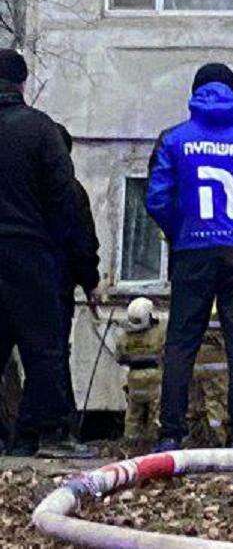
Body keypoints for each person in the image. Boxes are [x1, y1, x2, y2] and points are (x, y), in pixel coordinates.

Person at [146, 63, 233, 451]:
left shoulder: (173, 140)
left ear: (195, 92)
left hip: (192, 251)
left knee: (181, 342)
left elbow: (156, 199)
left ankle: (171, 432)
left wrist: (182, 232)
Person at [0, 49, 100, 456]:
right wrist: (69, 263)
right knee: (44, 349)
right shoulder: (40, 130)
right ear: (22, 83)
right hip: (28, 251)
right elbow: (64, 201)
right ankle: (29, 438)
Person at [42, 124, 102, 457]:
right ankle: (59, 428)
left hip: (21, 281)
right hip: (57, 286)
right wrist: (90, 282)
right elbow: (83, 242)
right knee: (52, 355)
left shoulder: (21, 186)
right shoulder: (71, 190)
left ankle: (26, 432)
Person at [116, 298, 164, 444]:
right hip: (154, 377)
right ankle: (151, 443)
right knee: (154, 412)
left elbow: (120, 358)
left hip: (134, 379)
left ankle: (131, 445)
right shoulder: (159, 333)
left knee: (133, 414)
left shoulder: (125, 337)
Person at [190, 308, 229, 445]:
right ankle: (217, 440)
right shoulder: (220, 303)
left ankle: (195, 439)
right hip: (216, 364)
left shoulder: (196, 298)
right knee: (216, 403)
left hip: (195, 360)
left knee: (195, 406)